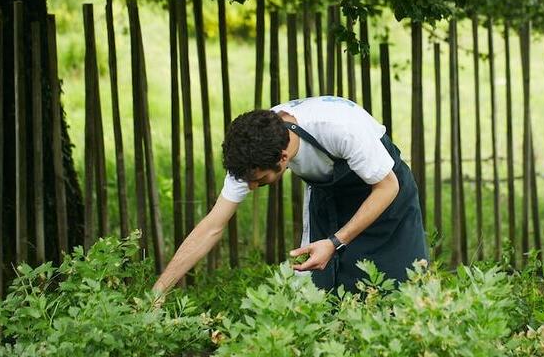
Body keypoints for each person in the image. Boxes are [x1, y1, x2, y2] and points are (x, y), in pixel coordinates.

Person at [152, 95, 428, 295]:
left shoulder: (340, 128)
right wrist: (159, 291)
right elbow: (212, 226)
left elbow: (387, 187)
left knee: (398, 287)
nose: (251, 187)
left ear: (283, 159)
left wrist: (334, 241)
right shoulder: (252, 148)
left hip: (386, 196)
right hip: (330, 197)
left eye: (259, 181)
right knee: (323, 293)